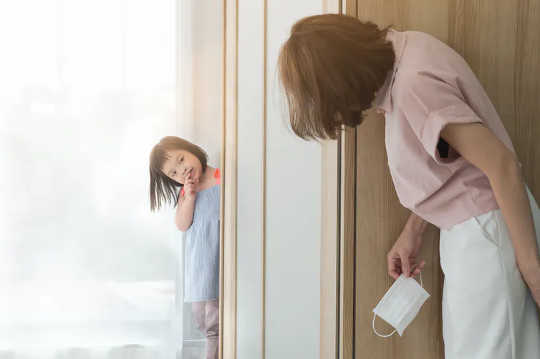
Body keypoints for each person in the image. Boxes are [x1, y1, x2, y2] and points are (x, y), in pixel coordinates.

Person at [277, 13, 540, 359]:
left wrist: (533, 270)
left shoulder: (413, 85)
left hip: (485, 234)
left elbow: (501, 165)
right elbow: (454, 164)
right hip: (484, 227)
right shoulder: (407, 50)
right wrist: (413, 229)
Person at [149, 136, 220, 359]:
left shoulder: (220, 176)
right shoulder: (185, 194)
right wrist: (189, 197)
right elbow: (182, 224)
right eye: (174, 173)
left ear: (192, 150)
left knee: (215, 321)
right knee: (201, 316)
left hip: (221, 256)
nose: (183, 171)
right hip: (201, 261)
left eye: (181, 159)